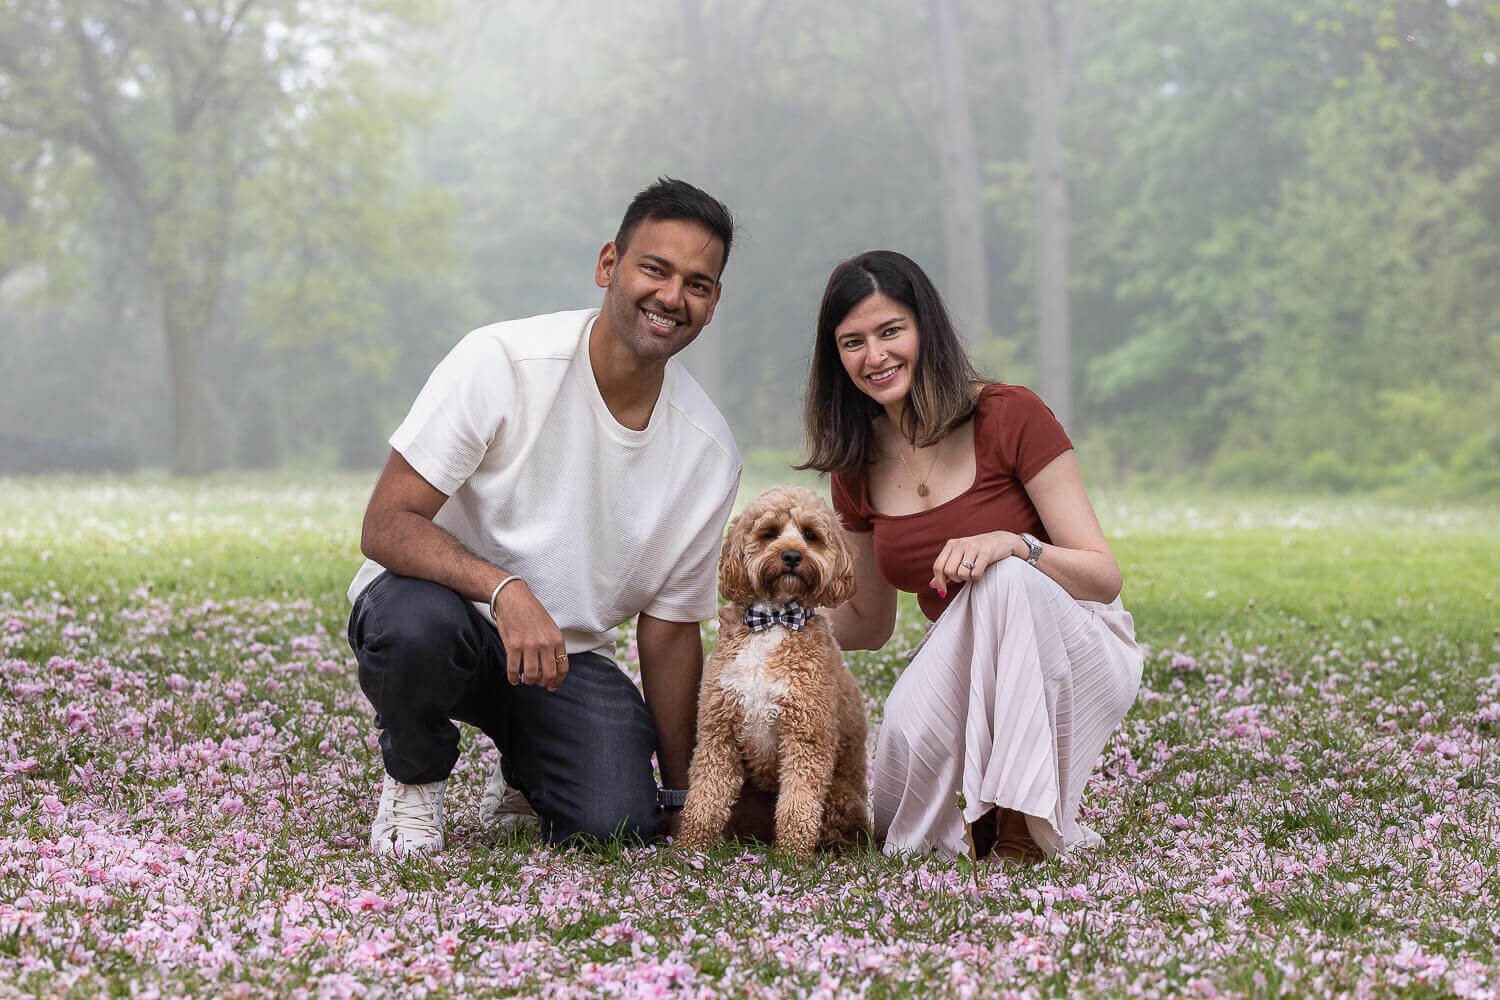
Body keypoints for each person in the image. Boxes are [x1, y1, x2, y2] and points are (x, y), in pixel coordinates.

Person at [347, 178, 743, 854]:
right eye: (655, 268)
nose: (672, 297)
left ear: (711, 306)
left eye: (697, 284)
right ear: (608, 266)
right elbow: (386, 524)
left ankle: (525, 771)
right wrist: (504, 589)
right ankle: (413, 783)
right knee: (412, 626)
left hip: (565, 658)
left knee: (614, 822)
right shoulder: (500, 361)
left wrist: (682, 802)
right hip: (442, 614)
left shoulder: (707, 451)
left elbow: (672, 630)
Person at [799, 250, 1143, 861]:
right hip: (965, 649)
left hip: (1076, 638)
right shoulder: (855, 462)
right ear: (837, 358)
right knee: (903, 778)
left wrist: (1018, 545)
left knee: (1005, 580)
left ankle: (1019, 823)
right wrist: (777, 621)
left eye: (890, 331)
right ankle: (978, 818)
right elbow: (869, 624)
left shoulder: (1009, 414)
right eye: (853, 342)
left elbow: (1102, 575)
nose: (874, 357)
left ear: (925, 329)